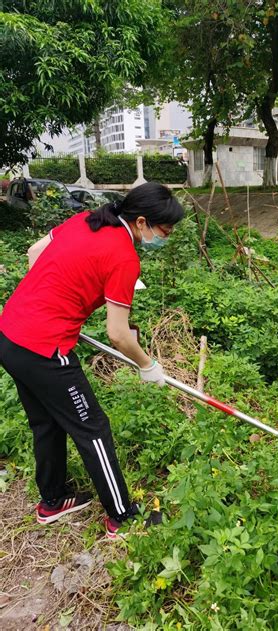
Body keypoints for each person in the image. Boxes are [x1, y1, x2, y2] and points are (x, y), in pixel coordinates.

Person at [0, 182, 184, 540]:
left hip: (9, 334)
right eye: (166, 230)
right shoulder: (124, 258)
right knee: (93, 430)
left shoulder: (89, 219)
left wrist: (50, 295)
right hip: (44, 347)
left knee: (47, 423)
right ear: (143, 222)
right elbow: (117, 333)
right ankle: (122, 517)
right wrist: (147, 365)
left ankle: (52, 501)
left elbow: (34, 252)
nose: (168, 236)